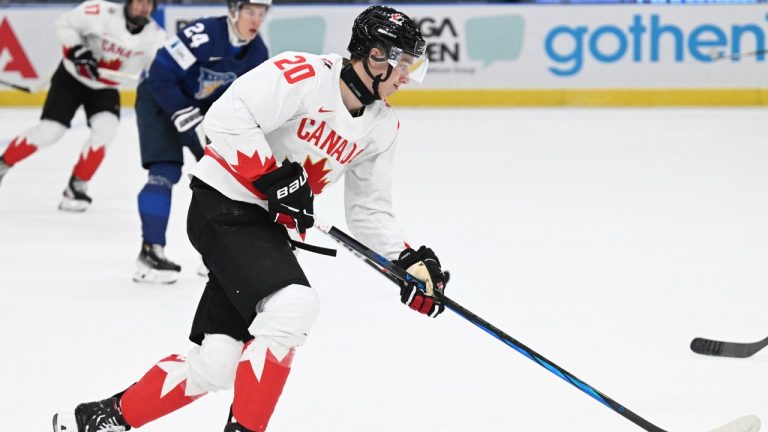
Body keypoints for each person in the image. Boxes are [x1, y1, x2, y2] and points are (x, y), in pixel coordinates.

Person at [52, 5, 448, 432]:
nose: (407, 76)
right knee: (294, 305)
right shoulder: (304, 75)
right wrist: (271, 176)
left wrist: (406, 261)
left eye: (413, 66)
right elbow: (227, 116)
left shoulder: (382, 127)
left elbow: (369, 210)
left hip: (264, 230)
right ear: (374, 56)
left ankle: (97, 419)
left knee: (216, 365)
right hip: (222, 205)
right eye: (402, 63)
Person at [132, 0, 271, 285]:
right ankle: (150, 253)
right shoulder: (203, 33)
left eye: (261, 13)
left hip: (204, 113)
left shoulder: (258, 52)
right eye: (250, 12)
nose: (255, 20)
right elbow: (159, 75)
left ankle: (214, 253)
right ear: (234, 10)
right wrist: (184, 115)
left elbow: (248, 102)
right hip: (160, 102)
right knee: (163, 172)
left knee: (222, 179)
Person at [0, 0, 165, 211]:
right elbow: (64, 24)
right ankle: (4, 162)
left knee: (106, 130)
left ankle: (77, 185)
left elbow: (159, 69)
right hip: (71, 79)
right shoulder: (99, 12)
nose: (144, 8)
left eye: (149, 4)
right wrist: (78, 52)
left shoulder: (155, 37)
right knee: (51, 131)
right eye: (139, 2)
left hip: (105, 89)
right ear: (129, 2)